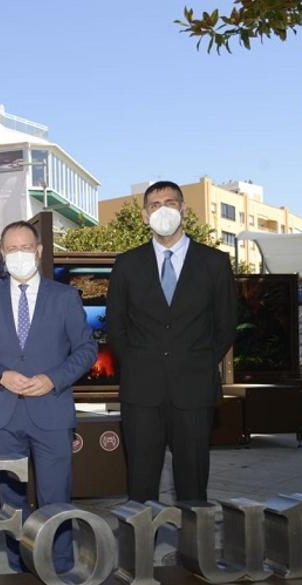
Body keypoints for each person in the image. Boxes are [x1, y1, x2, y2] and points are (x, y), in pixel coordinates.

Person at [0, 221, 98, 573]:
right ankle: (20, 569)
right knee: (11, 503)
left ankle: (62, 568)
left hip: (51, 411)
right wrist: (0, 375)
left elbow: (86, 350)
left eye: (26, 248)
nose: (19, 255)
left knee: (56, 498)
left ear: (38, 251)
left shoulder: (65, 297)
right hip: (1, 416)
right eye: (11, 249)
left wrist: (53, 379)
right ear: (3, 257)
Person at [106, 181, 237, 504]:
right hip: (141, 391)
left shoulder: (214, 263)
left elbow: (225, 327)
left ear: (183, 209)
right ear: (144, 214)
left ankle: (194, 552)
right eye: (154, 204)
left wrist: (199, 363)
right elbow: (116, 326)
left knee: (193, 483)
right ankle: (139, 552)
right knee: (140, 481)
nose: (162, 209)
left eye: (170, 202)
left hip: (194, 389)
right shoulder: (127, 264)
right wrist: (138, 363)